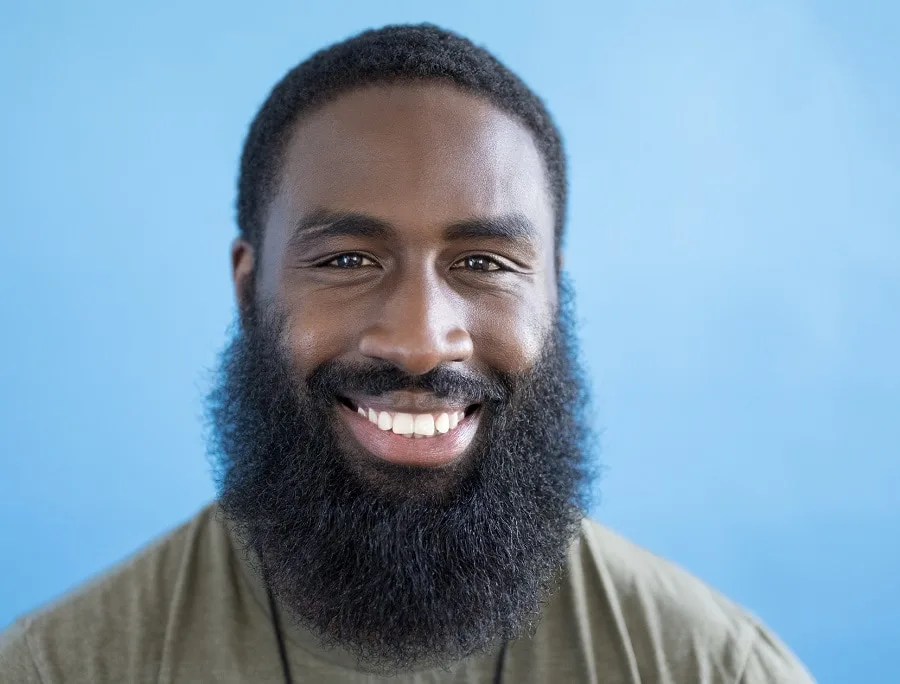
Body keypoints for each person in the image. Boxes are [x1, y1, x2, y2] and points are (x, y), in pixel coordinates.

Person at [0, 24, 815, 684]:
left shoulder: (715, 668)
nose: (423, 341)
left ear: (554, 296)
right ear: (248, 289)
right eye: (349, 259)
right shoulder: (61, 667)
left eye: (485, 264)